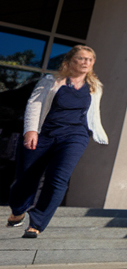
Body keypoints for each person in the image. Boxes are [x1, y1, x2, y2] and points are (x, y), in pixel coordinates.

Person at [7, 45, 108, 238]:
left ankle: (37, 223)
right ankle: (18, 209)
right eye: (81, 58)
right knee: (26, 178)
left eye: (90, 59)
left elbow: (92, 114)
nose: (86, 62)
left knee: (58, 178)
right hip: (44, 133)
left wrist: (94, 132)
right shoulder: (51, 81)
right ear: (69, 62)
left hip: (75, 136)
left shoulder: (95, 86)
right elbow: (34, 104)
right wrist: (30, 131)